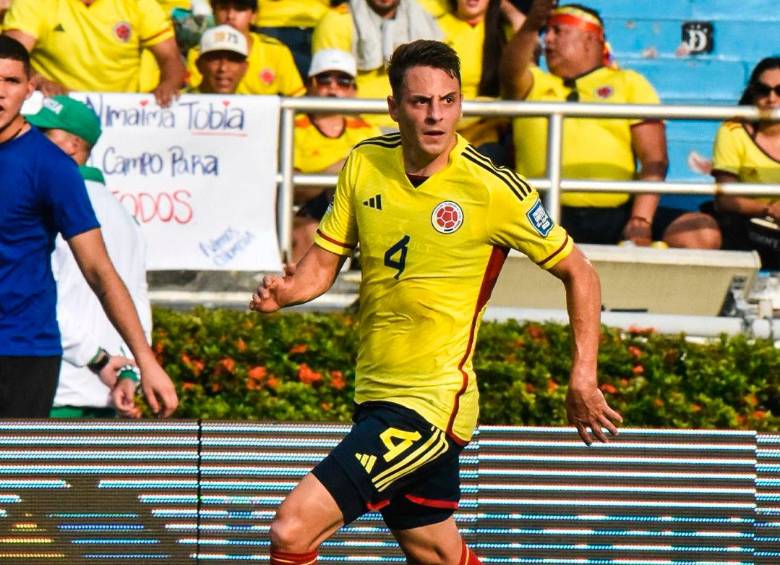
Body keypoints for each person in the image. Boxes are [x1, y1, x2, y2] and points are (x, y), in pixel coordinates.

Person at [250, 39, 621, 564]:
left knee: (292, 529)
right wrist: (285, 293)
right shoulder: (364, 164)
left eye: (448, 100)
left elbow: (579, 271)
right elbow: (321, 265)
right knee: (437, 552)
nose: (435, 115)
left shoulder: (492, 189)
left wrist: (582, 376)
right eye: (421, 102)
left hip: (430, 404)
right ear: (394, 107)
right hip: (375, 394)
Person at [0, 35, 177, 418]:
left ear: (29, 88)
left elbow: (99, 270)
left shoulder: (52, 167)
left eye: (11, 82)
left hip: (22, 352)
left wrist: (144, 361)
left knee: (12, 478)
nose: (0, 93)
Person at [500, 1, 721, 249]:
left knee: (701, 232)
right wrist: (533, 23)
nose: (548, 40)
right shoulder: (533, 82)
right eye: (546, 31)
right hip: (540, 213)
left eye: (558, 31)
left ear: (589, 40)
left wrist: (640, 220)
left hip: (614, 213)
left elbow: (654, 159)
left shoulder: (628, 83)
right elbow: (510, 69)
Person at [23, 96, 150, 418]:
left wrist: (97, 357)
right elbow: (138, 299)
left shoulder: (42, 205)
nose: (27, 140)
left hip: (50, 390)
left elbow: (34, 300)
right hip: (106, 394)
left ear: (73, 145)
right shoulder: (125, 216)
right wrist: (130, 372)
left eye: (40, 133)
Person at [2, 0, 185, 107]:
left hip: (118, 116)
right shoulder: (37, 3)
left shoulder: (137, 4)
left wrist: (169, 83)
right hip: (56, 110)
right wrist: (38, 79)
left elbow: (171, 57)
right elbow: (10, 54)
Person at [292, 48, 381, 262]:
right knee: (309, 231)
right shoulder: (291, 127)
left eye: (343, 81)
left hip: (361, 210)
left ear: (353, 90)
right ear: (310, 85)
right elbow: (292, 193)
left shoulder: (367, 130)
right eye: (324, 80)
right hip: (307, 213)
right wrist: (342, 168)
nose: (333, 87)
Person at [312, 0, 443, 130]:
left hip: (415, 122)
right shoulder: (336, 21)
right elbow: (329, 89)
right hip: (357, 126)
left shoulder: (423, 18)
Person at [710, 56, 780, 268]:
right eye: (763, 90)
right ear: (752, 93)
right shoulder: (733, 131)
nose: (771, 98)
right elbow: (725, 199)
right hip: (752, 225)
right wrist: (769, 209)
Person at [437, 0, 526, 163]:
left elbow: (530, 48)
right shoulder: (435, 27)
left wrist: (506, 8)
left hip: (486, 137)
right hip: (441, 129)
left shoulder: (503, 32)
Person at [186, 0, 304, 96]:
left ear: (254, 15)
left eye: (239, 9)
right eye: (223, 8)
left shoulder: (277, 52)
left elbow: (297, 105)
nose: (230, 16)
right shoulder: (199, 53)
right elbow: (195, 101)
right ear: (214, 13)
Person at [190, 24, 249, 94]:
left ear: (245, 68)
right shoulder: (177, 102)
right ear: (199, 65)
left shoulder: (252, 104)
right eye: (215, 58)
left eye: (233, 59)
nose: (223, 68)